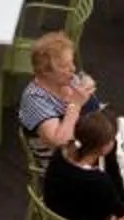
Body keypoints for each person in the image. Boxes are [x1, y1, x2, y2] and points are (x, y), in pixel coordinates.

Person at [18, 27, 100, 155]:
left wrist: (87, 87)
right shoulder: (34, 98)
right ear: (45, 72)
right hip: (64, 162)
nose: (73, 69)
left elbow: (86, 93)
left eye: (72, 62)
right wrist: (75, 105)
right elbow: (60, 142)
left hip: (90, 145)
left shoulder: (67, 79)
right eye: (64, 66)